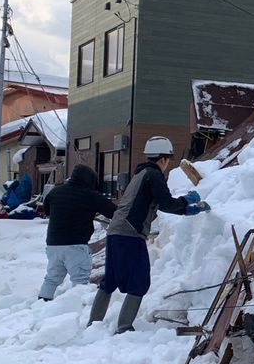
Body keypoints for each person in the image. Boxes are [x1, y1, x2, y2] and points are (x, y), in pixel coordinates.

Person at [88, 137, 209, 333]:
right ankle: (124, 327)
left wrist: (186, 208)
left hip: (116, 231)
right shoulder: (154, 175)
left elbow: (159, 204)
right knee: (140, 280)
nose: (167, 164)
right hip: (130, 233)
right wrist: (188, 202)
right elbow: (166, 202)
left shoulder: (141, 173)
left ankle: (93, 324)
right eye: (168, 160)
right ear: (163, 159)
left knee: (110, 279)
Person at [38, 165, 117, 301]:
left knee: (51, 278)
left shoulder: (55, 192)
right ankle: (74, 312)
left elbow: (47, 211)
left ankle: (41, 305)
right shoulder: (90, 195)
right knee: (80, 281)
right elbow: (113, 213)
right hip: (76, 246)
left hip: (53, 245)